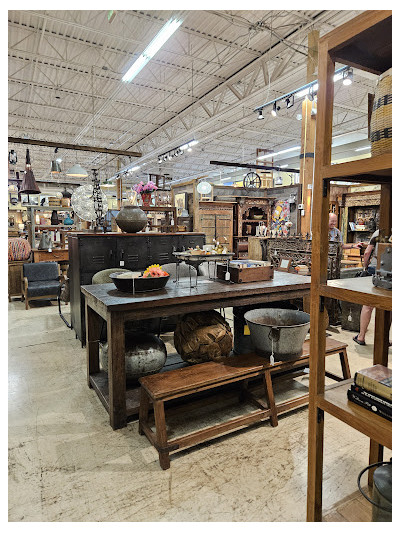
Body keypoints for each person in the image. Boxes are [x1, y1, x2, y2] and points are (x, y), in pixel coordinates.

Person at [353, 229, 380, 345]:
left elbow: (367, 252)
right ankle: (383, 338)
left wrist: (365, 266)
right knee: (388, 306)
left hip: (376, 268)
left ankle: (361, 336)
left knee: (368, 304)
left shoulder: (379, 232)